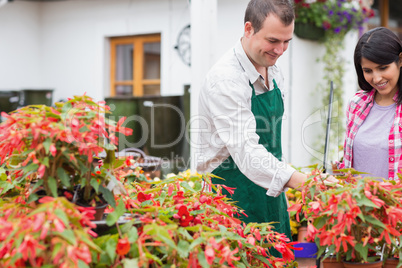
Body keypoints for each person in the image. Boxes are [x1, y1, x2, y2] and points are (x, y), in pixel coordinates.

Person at [196, 0, 310, 247]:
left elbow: (267, 144)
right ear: (248, 29)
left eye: (286, 42)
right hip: (231, 197)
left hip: (270, 192)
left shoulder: (273, 68)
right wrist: (302, 182)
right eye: (273, 41)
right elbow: (246, 151)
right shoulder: (226, 80)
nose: (280, 50)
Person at [338, 27, 402, 180]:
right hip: (356, 201)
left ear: (400, 60)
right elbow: (350, 161)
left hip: (395, 202)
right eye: (368, 70)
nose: (377, 78)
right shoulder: (357, 104)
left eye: (383, 68)